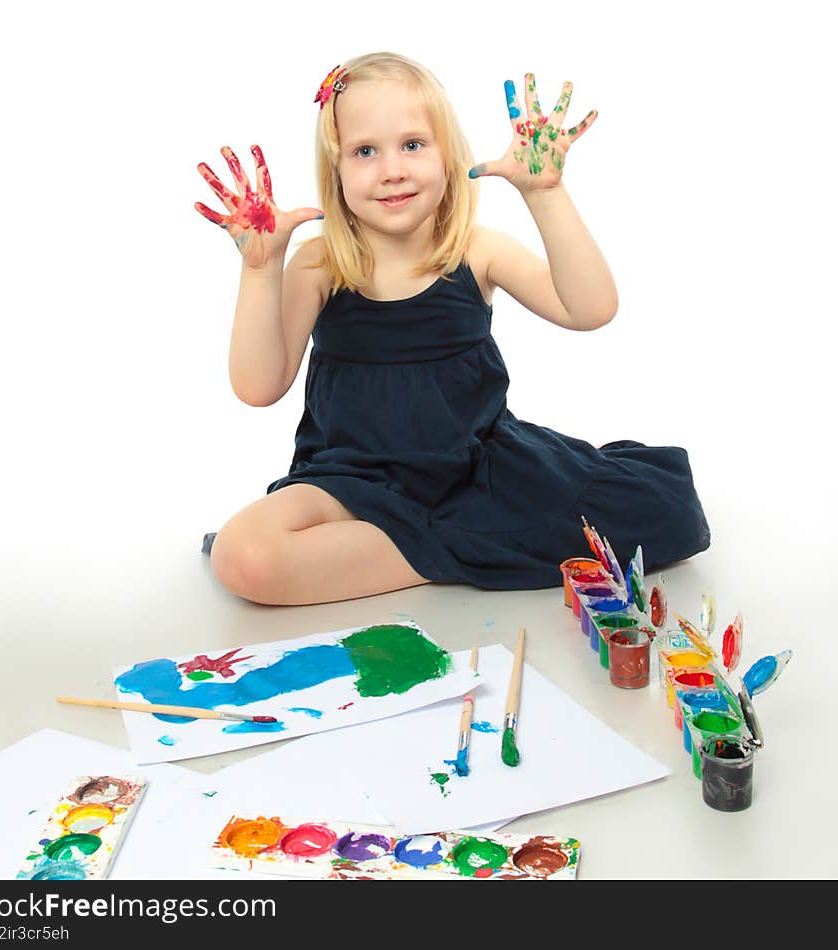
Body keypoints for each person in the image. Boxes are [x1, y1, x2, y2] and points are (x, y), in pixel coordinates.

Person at [193, 51, 710, 607]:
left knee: (667, 509)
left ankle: (427, 549)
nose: (392, 169)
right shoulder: (321, 264)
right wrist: (260, 270)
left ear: (447, 155)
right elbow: (258, 385)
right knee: (242, 555)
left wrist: (545, 194)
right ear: (336, 170)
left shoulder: (474, 250)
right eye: (365, 151)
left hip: (476, 474)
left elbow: (589, 309)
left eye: (412, 145)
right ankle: (468, 549)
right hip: (348, 480)